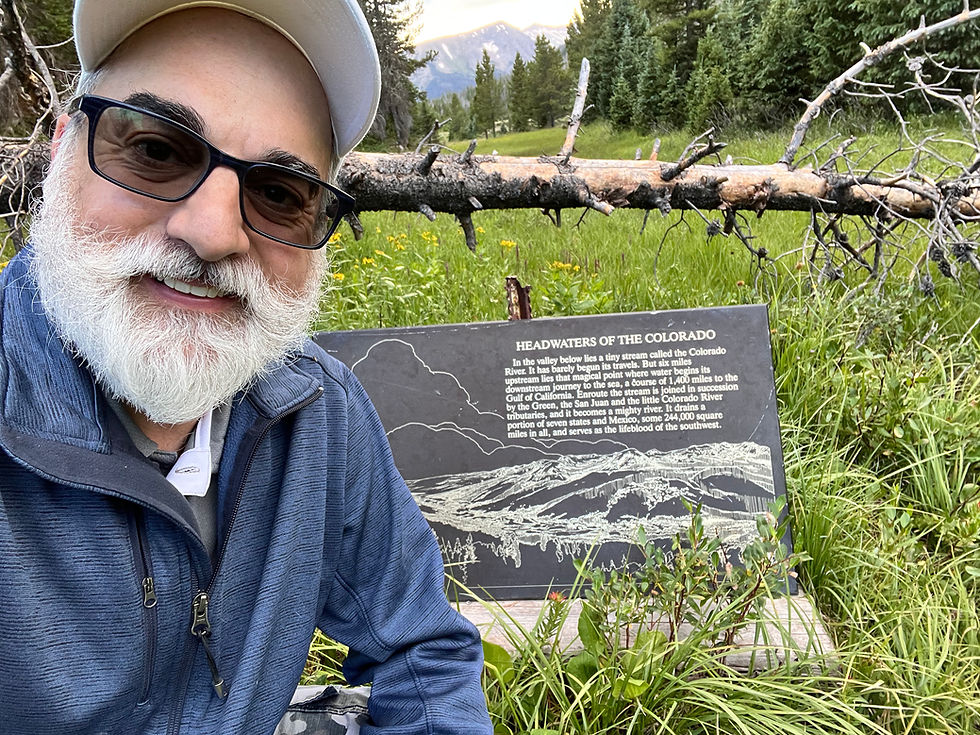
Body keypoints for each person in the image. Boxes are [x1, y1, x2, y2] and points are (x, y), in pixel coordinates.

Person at [0, 1, 492, 733]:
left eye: (278, 194)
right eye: (159, 152)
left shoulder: (318, 413)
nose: (213, 232)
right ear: (67, 148)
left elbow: (421, 649)